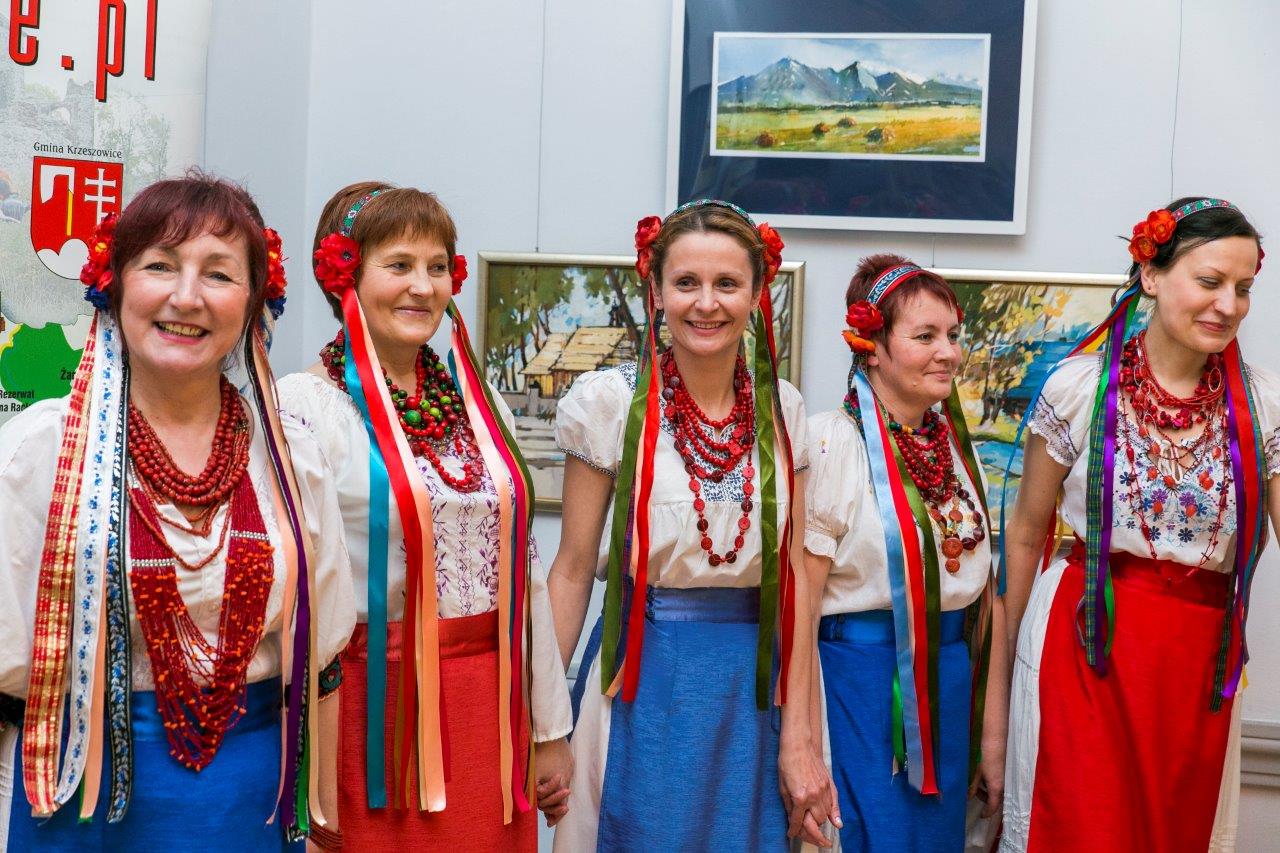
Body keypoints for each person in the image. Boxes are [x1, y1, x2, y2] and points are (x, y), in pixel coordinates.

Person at [0, 172, 354, 851]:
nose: (186, 296)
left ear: (254, 302)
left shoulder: (291, 457)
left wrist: (322, 831)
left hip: (249, 799)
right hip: (81, 795)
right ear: (114, 285)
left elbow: (322, 664)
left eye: (218, 274)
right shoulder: (40, 452)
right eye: (160, 265)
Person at [277, 182, 573, 850]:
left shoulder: (479, 399)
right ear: (345, 276)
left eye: (437, 266)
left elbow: (524, 572)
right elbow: (300, 592)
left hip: (491, 703)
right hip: (371, 708)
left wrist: (549, 727)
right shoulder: (305, 406)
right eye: (399, 264)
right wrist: (309, 756)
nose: (423, 286)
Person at [548, 200, 835, 851]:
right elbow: (571, 569)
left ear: (757, 294)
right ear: (656, 290)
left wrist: (799, 737)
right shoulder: (609, 404)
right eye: (686, 282)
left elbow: (795, 579)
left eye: (727, 283)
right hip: (644, 677)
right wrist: (541, 722)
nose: (707, 303)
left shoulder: (784, 410)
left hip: (754, 688)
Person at [1001, 198, 1279, 852]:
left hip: (1196, 663)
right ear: (1151, 275)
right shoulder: (1078, 389)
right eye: (1210, 281)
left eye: (1243, 288)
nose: (1229, 305)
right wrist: (1004, 682)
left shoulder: (1263, 405)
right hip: (1084, 643)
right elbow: (1025, 534)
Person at [804, 256, 1006, 851]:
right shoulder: (830, 444)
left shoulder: (957, 452)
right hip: (862, 686)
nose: (948, 352)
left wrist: (991, 737)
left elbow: (985, 603)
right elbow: (800, 606)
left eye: (952, 335)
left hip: (950, 685)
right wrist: (802, 743)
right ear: (870, 346)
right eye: (925, 337)